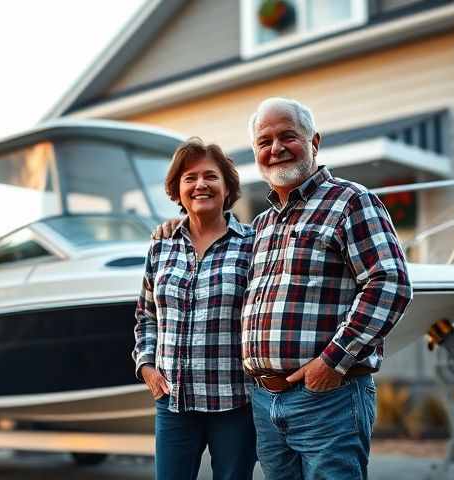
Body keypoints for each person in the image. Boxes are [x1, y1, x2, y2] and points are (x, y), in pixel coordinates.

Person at [154, 98, 413, 480]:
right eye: (264, 141)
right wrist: (174, 227)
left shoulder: (350, 201)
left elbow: (390, 282)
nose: (275, 149)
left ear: (314, 142)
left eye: (287, 136)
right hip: (265, 402)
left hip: (327, 397)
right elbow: (210, 241)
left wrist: (332, 361)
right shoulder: (261, 225)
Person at [133, 138, 256, 480]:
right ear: (177, 189)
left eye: (210, 176)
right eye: (189, 178)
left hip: (234, 402)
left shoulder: (252, 244)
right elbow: (146, 316)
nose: (200, 184)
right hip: (174, 402)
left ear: (227, 186)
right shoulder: (160, 247)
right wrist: (146, 366)